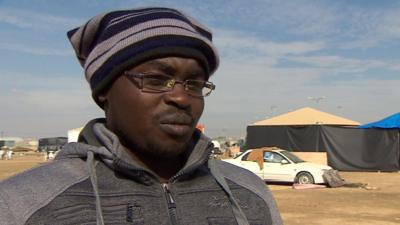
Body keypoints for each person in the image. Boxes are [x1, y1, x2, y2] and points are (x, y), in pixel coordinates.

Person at [0, 7, 282, 225]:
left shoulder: (250, 194)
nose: (182, 98)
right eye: (157, 79)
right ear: (104, 92)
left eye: (194, 84)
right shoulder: (22, 203)